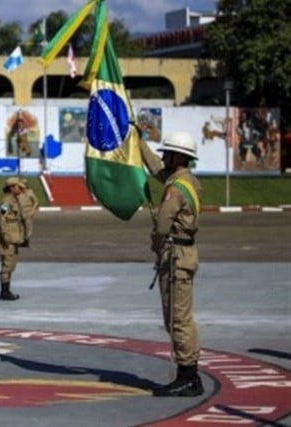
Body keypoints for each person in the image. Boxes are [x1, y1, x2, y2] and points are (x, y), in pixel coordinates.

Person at [140, 131, 204, 397]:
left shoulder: (176, 188)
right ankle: (187, 374)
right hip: (180, 256)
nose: (163, 156)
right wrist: (137, 140)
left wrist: (155, 246)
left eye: (168, 153)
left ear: (179, 157)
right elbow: (155, 166)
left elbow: (163, 224)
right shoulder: (184, 180)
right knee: (176, 318)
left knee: (178, 320)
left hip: (176, 257)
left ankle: (188, 377)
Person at [0, 178, 27, 301]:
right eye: (17, 187)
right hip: (8, 238)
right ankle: (4, 291)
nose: (20, 189)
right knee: (7, 265)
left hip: (15, 237)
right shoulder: (6, 202)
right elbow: (2, 219)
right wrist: (5, 236)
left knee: (12, 264)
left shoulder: (15, 201)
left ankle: (7, 289)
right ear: (11, 188)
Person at [18, 179, 38, 247]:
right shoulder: (18, 192)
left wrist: (33, 210)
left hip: (28, 211)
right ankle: (21, 240)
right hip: (19, 211)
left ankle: (26, 240)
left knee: (28, 227)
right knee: (20, 227)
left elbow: (35, 202)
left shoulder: (30, 192)